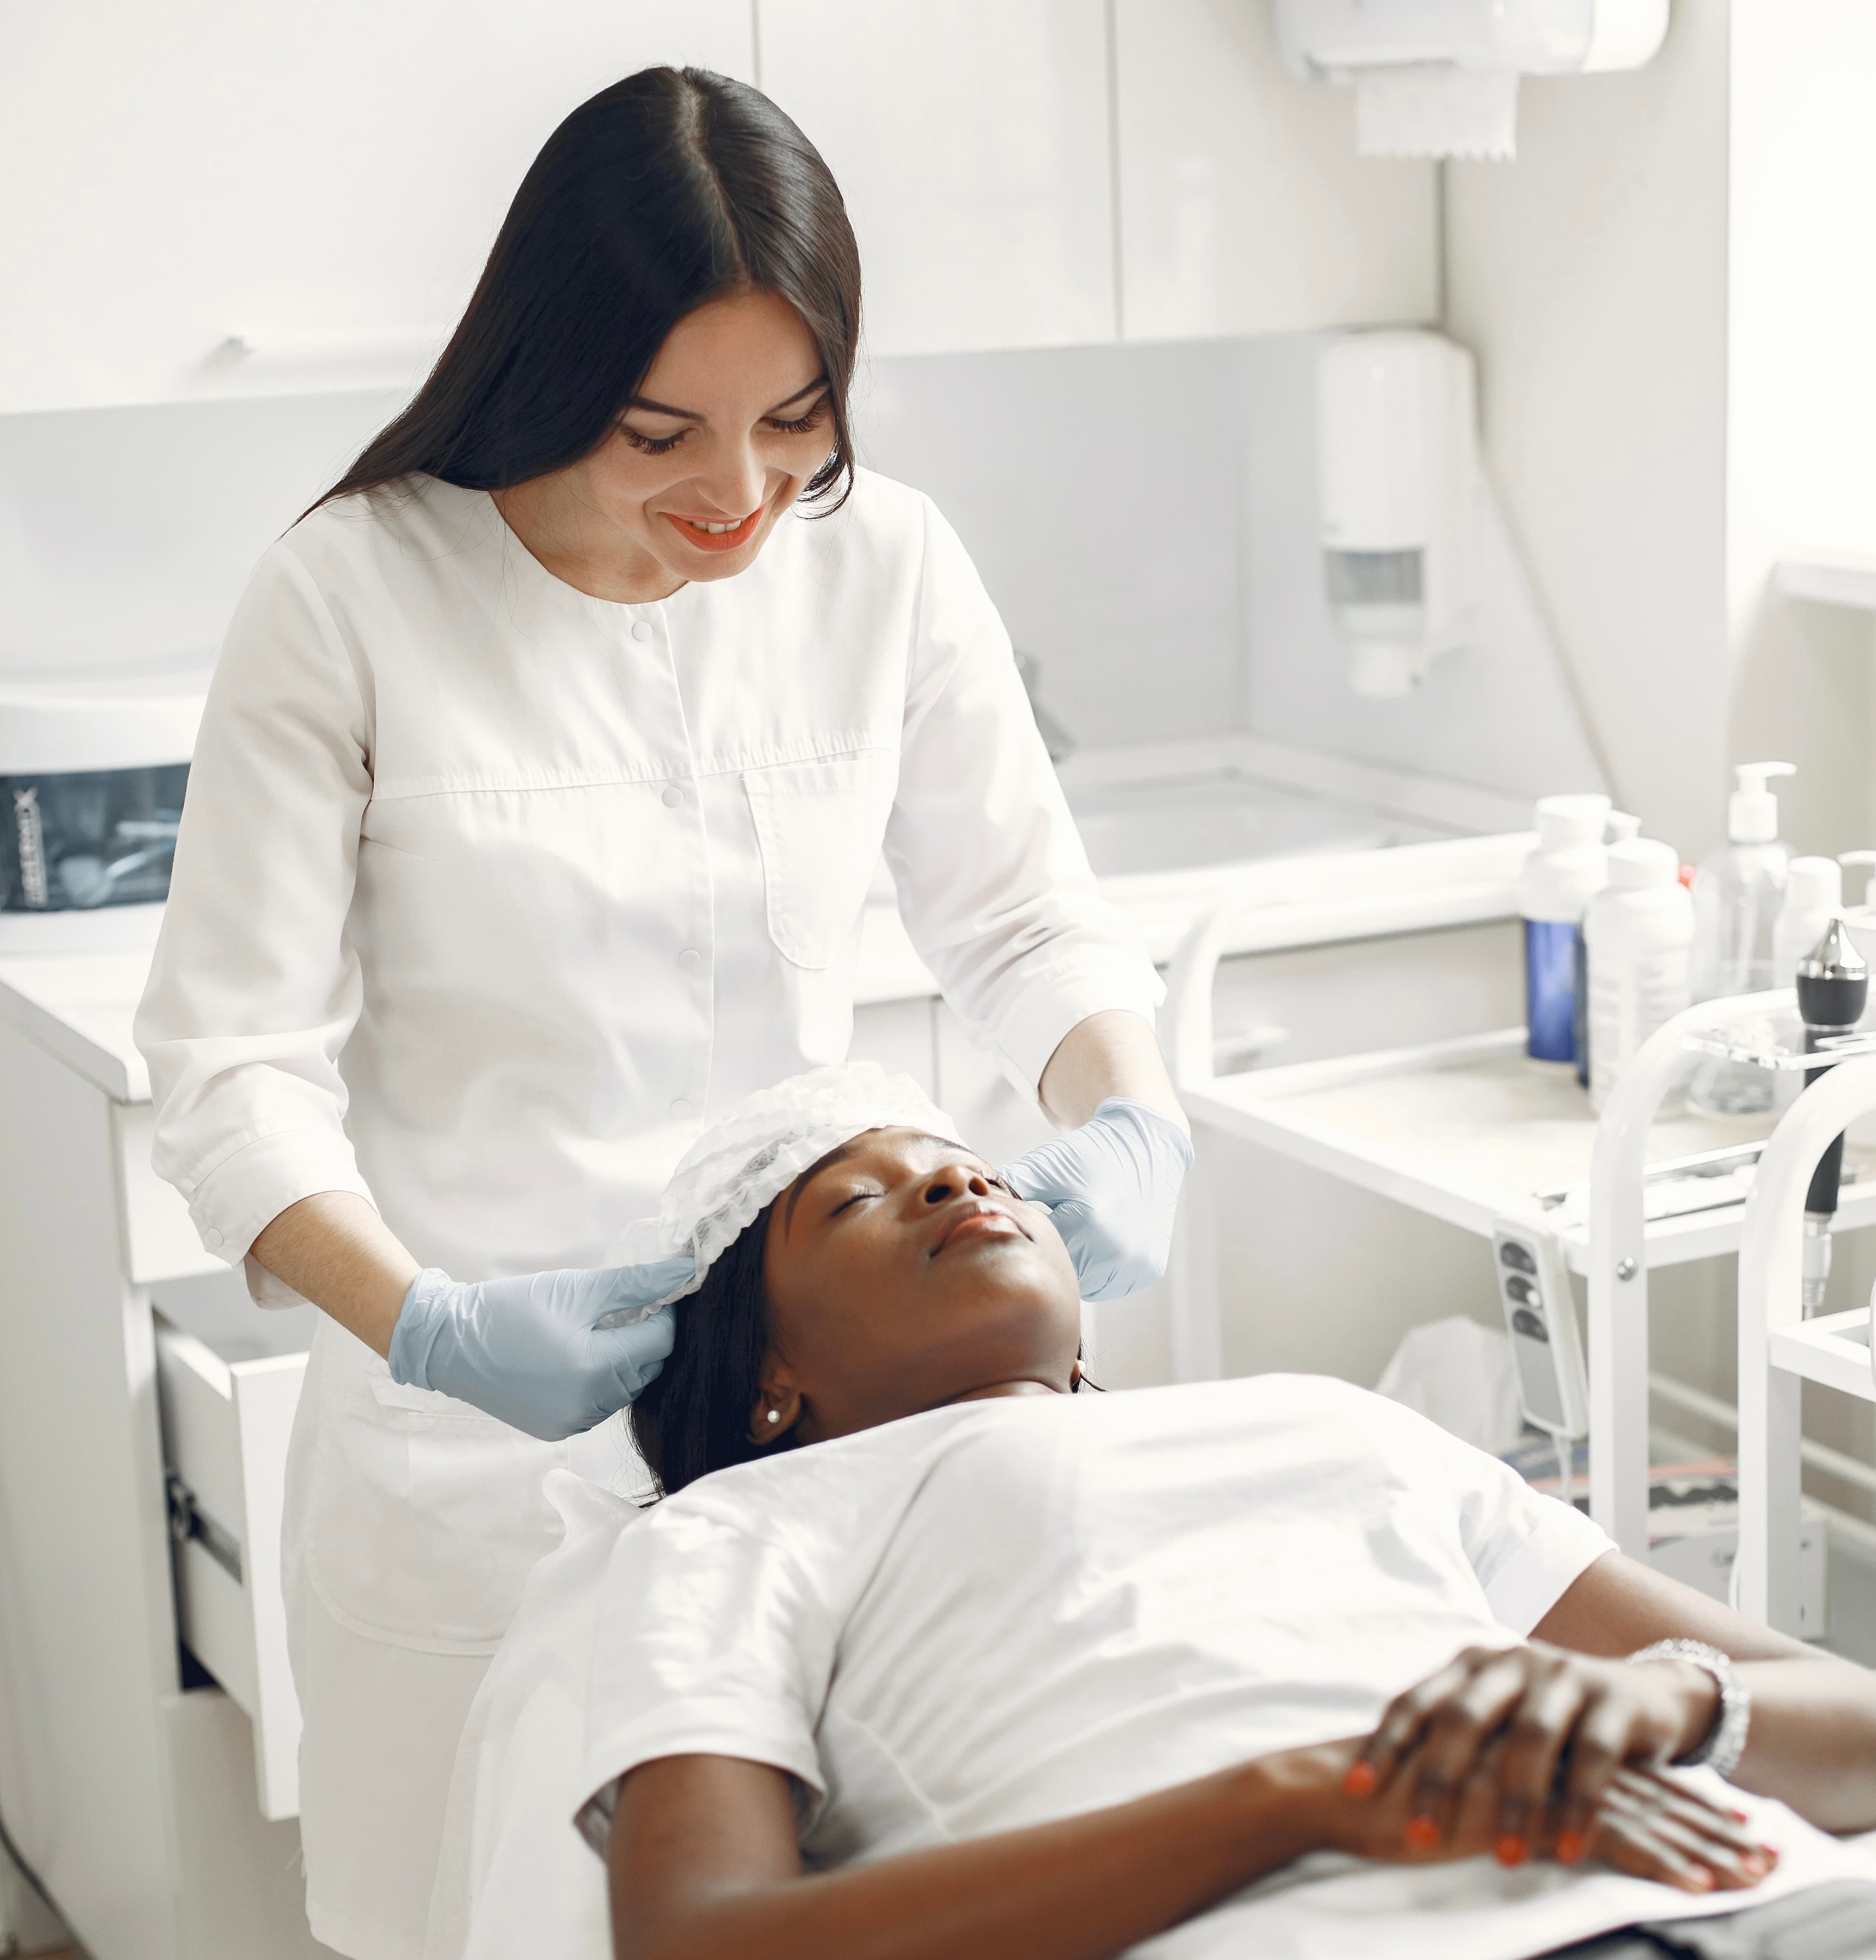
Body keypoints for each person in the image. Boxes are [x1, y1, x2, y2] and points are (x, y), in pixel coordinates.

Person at [133, 67, 1186, 1960]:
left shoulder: (885, 559)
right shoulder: (357, 590)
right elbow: (227, 1074)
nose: (740, 491)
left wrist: (1135, 1117)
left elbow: (1025, 914)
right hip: (471, 1458)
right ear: (551, 380)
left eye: (796, 418)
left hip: (816, 1429)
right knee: (460, 1921)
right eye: (660, 430)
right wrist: (435, 1325)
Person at [424, 1073, 1876, 1960]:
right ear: (766, 1385)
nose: (954, 1174)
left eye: (970, 1160)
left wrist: (1661, 1706)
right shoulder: (739, 1532)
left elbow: (1850, 1724)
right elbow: (701, 1940)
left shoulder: (1326, 1420)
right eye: (854, 1202)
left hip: (1780, 1895)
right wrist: (1311, 1794)